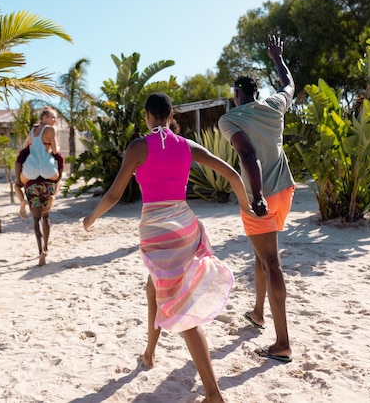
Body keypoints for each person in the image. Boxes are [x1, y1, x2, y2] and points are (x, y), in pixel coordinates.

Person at [83, 92, 258, 403]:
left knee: (182, 311)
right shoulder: (186, 146)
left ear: (148, 115)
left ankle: (214, 394)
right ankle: (149, 353)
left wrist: (90, 219)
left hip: (157, 234)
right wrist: (246, 206)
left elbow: (112, 195)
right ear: (171, 114)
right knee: (154, 288)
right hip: (185, 226)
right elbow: (231, 174)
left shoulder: (138, 147)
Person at [218, 34, 296, 363]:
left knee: (272, 263)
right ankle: (258, 313)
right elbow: (289, 83)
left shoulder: (230, 119)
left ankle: (282, 343)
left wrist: (258, 196)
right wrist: (277, 57)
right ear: (256, 93)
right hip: (286, 192)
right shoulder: (274, 105)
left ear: (238, 95)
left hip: (259, 198)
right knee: (261, 256)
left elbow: (248, 155)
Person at [14, 106, 63, 267]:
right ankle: (53, 197)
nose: (54, 121)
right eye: (53, 117)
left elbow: (26, 148)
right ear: (45, 118)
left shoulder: (32, 130)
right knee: (58, 182)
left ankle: (39, 250)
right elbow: (55, 151)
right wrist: (57, 151)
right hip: (47, 171)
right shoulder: (51, 130)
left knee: (35, 219)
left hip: (31, 171)